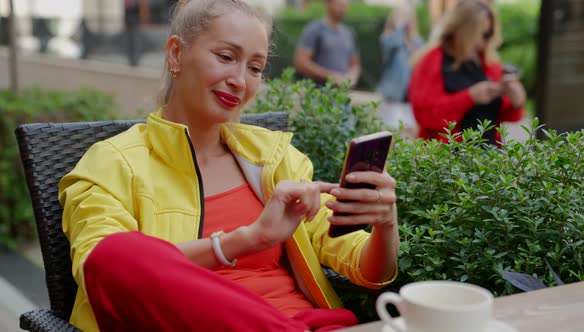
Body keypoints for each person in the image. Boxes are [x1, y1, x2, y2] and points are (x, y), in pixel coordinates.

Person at [58, 1, 399, 331]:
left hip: (305, 322)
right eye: (226, 57)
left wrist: (385, 223)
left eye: (255, 68)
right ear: (176, 54)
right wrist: (246, 239)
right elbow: (102, 272)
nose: (240, 80)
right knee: (114, 256)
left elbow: (369, 271)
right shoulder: (114, 163)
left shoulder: (274, 159)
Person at [408, 0, 525, 144]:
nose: (487, 40)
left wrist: (516, 100)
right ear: (465, 30)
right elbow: (425, 115)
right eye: (484, 34)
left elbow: (503, 114)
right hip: (446, 158)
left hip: (487, 156)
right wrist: (469, 97)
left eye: (490, 33)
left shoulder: (488, 62)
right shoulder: (433, 60)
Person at [376, 3, 423, 138]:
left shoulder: (418, 42)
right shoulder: (389, 38)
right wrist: (398, 27)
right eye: (402, 15)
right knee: (392, 134)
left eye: (408, 16)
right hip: (393, 97)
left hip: (411, 98)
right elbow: (391, 45)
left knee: (410, 134)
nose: (406, 19)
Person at [294, 0, 361, 86]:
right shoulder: (314, 30)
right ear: (328, 4)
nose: (343, 9)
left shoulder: (348, 33)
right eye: (339, 5)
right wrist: (331, 76)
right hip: (317, 93)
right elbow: (301, 63)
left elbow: (355, 64)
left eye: (345, 6)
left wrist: (351, 76)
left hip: (341, 94)